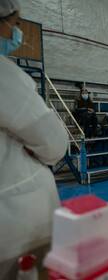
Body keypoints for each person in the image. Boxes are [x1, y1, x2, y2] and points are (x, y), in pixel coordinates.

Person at [0, 1, 68, 279]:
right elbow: (53, 143)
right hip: (17, 226)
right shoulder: (5, 75)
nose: (17, 33)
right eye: (15, 24)